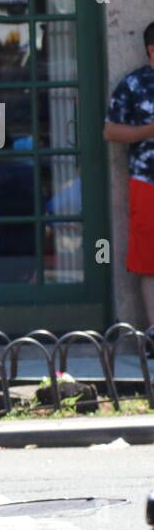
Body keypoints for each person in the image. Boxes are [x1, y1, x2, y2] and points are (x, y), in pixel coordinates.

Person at [104, 21, 154, 332]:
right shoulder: (133, 85)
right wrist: (150, 131)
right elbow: (111, 131)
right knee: (149, 259)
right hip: (147, 182)